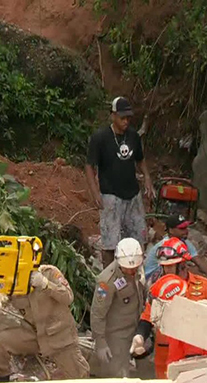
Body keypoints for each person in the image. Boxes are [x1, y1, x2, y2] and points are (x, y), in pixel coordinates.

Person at [131, 239, 207, 377]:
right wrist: (140, 336)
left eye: (171, 267)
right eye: (164, 267)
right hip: (166, 352)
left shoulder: (205, 286)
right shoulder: (159, 288)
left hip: (196, 352)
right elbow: (148, 316)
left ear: (182, 265)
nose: (167, 271)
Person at [85, 97, 155, 268]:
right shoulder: (100, 138)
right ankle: (109, 275)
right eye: (122, 117)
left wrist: (147, 178)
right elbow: (89, 166)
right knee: (110, 241)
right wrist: (95, 193)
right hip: (110, 195)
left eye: (128, 118)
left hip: (132, 194)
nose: (126, 121)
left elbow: (140, 159)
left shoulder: (133, 136)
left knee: (139, 237)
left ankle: (136, 273)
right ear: (113, 116)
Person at [0, 265, 90, 382]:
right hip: (34, 334)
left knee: (78, 375)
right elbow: (1, 301)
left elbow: (68, 297)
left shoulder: (49, 273)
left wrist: (46, 284)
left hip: (59, 336)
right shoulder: (12, 279)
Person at [90, 237, 146, 378]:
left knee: (147, 370)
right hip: (117, 335)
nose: (131, 272)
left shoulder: (137, 268)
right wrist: (101, 342)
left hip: (137, 328)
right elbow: (98, 313)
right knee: (118, 375)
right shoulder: (106, 282)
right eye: (128, 269)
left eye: (134, 269)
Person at [143, 214, 207, 284]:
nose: (186, 231)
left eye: (186, 227)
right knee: (188, 270)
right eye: (182, 228)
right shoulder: (167, 246)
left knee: (195, 270)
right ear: (171, 230)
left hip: (168, 273)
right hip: (152, 279)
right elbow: (181, 270)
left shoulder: (183, 241)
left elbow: (198, 260)